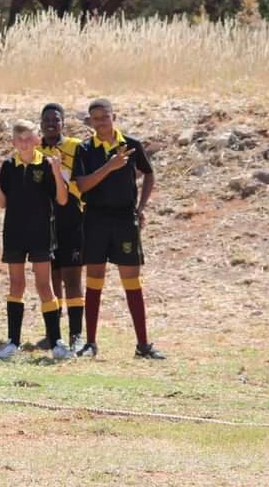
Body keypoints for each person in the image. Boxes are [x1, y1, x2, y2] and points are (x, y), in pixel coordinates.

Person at [72, 99, 164, 359]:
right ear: (90, 122)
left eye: (105, 117)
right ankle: (90, 343)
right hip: (95, 219)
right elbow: (82, 185)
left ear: (114, 116)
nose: (101, 122)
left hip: (125, 220)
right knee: (94, 280)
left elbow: (149, 173)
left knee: (132, 281)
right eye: (95, 118)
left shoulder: (131, 145)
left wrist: (141, 207)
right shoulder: (84, 149)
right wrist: (110, 166)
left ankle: (143, 346)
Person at [0, 119, 73, 360]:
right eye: (19, 139)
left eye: (28, 138)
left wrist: (57, 173)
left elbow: (62, 199)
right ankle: (12, 343)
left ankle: (56, 342)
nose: (24, 143)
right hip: (14, 233)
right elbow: (1, 202)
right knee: (16, 285)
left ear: (37, 139)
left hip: (41, 233)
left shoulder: (46, 164)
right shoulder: (9, 166)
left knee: (44, 286)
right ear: (14, 142)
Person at [37, 103, 86, 351]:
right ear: (40, 123)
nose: (51, 124)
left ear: (63, 123)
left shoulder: (76, 147)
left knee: (72, 277)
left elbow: (83, 181)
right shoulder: (35, 150)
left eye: (55, 120)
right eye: (46, 120)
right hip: (45, 221)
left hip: (72, 218)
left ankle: (76, 335)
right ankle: (53, 334)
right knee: (51, 278)